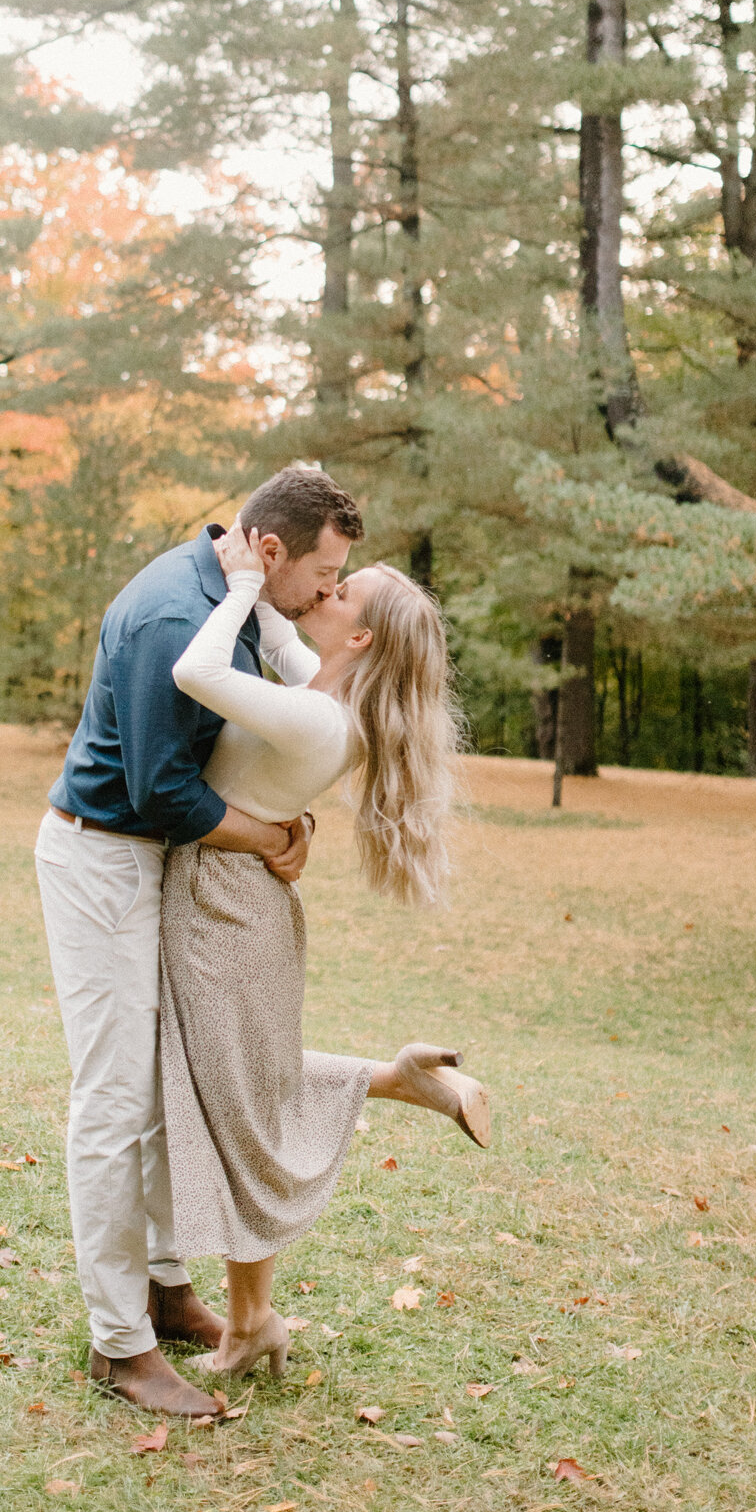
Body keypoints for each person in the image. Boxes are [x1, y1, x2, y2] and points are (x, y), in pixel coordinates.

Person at [34, 465, 364, 1418]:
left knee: (167, 1078)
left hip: (156, 864)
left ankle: (166, 1287)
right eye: (324, 574)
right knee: (113, 1099)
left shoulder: (233, 596)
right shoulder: (174, 619)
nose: (328, 595)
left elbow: (245, 744)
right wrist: (268, 838)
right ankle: (118, 1345)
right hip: (104, 860)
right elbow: (160, 795)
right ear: (270, 551)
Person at [159, 520, 487, 1382]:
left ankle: (251, 1318)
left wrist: (234, 585)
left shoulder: (313, 716)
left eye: (339, 592)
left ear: (361, 633)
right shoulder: (324, 690)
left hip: (221, 903)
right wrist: (264, 570)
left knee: (238, 1102)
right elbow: (277, 633)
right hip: (247, 902)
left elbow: (195, 671)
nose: (322, 593)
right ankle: (252, 1317)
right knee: (247, 1091)